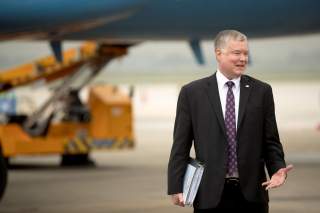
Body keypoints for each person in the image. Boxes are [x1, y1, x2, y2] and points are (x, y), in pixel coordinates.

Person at [167, 30, 293, 213]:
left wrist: (277, 169)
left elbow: (271, 141)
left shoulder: (262, 91)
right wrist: (175, 185)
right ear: (219, 53)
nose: (243, 58)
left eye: (246, 53)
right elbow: (180, 145)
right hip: (209, 195)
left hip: (252, 196)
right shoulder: (192, 93)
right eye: (237, 53)